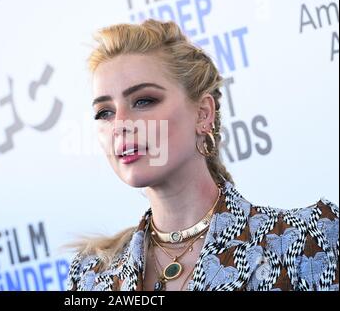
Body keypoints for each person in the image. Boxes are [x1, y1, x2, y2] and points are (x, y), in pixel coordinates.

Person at [65, 19, 339, 291]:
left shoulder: (311, 239)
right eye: (105, 112)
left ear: (203, 114)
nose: (120, 124)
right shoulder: (90, 276)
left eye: (144, 100)